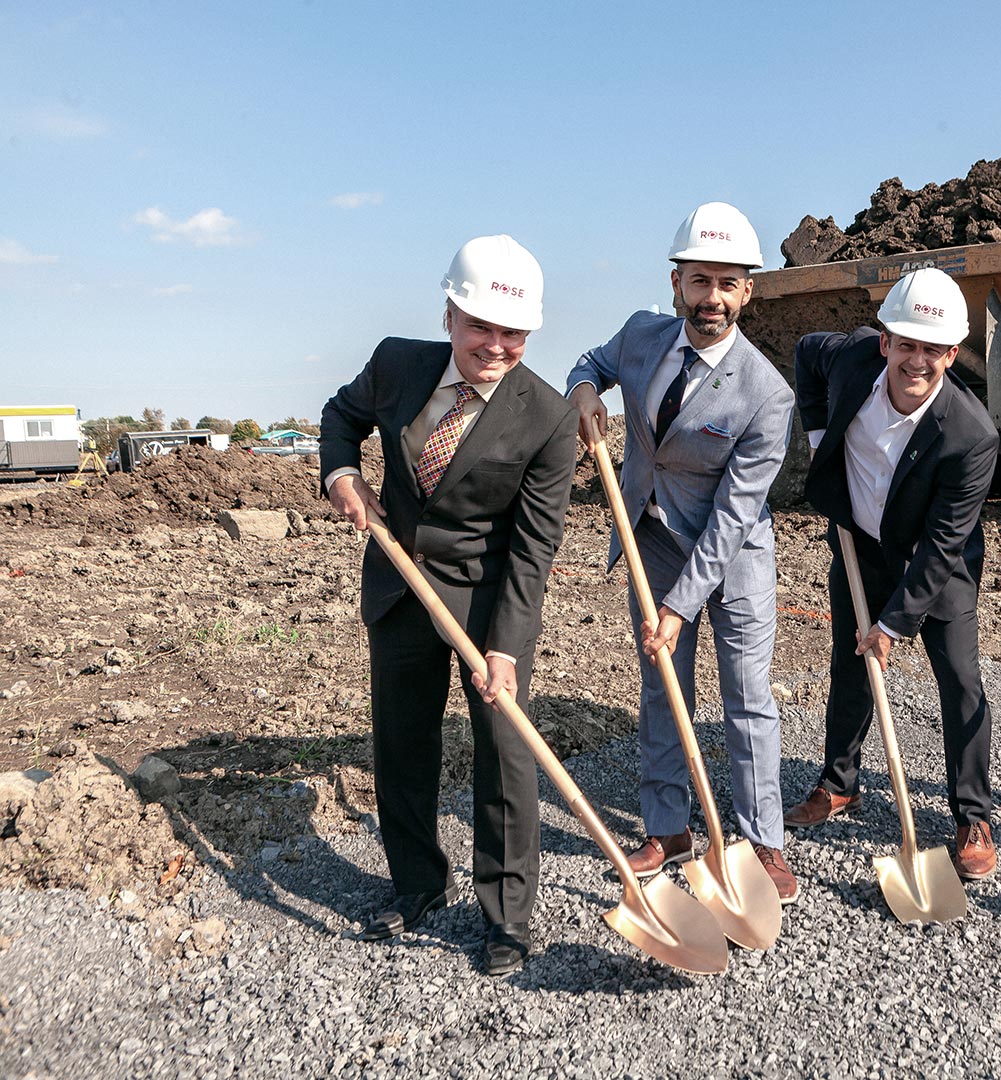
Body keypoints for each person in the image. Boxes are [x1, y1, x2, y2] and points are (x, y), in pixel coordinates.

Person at [320, 234, 576, 975]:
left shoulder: (548, 419)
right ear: (450, 314)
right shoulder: (397, 363)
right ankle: (417, 885)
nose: (495, 346)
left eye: (512, 333)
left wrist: (503, 645)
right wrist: (341, 472)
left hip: (490, 603)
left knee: (505, 758)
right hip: (400, 586)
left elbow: (534, 547)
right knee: (403, 746)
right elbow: (341, 416)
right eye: (480, 328)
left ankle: (507, 917)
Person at [565, 203, 800, 904]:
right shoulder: (642, 337)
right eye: (701, 281)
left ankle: (763, 840)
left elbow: (733, 517)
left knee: (747, 697)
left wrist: (676, 606)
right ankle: (668, 828)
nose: (713, 299)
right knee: (663, 690)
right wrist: (583, 393)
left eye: (728, 284)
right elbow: (593, 362)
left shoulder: (767, 396)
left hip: (731, 560)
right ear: (676, 284)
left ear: (747, 292)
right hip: (654, 541)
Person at [785, 268, 1001, 880]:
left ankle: (972, 815)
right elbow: (805, 355)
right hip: (861, 545)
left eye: (932, 349)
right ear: (885, 343)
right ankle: (839, 783)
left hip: (939, 565)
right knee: (850, 664)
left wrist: (895, 623)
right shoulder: (851, 358)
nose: (917, 360)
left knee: (959, 679)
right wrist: (821, 430)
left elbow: (942, 543)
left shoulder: (970, 435)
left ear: (952, 355)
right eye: (906, 344)